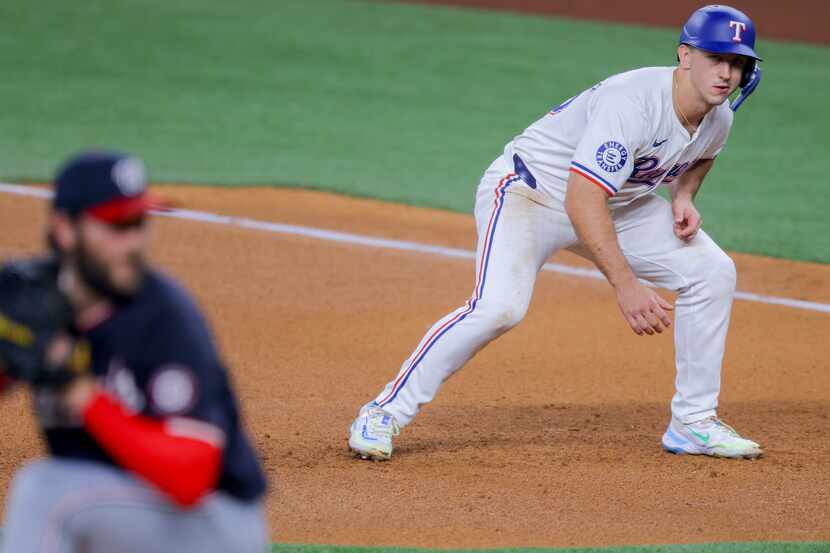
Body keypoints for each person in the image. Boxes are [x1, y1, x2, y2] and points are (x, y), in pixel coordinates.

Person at [348, 5, 764, 461]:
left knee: (713, 272)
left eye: (738, 62)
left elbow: (702, 154)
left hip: (617, 205)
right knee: (499, 309)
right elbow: (581, 199)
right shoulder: (634, 101)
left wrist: (684, 197)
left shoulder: (720, 115)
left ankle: (693, 423)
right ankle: (384, 410)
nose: (727, 72)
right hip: (530, 194)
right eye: (716, 58)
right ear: (685, 56)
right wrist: (626, 287)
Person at [0, 151, 269, 552]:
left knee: (43, 490)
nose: (133, 242)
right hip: (121, 515)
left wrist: (80, 394)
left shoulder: (164, 316)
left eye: (139, 223)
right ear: (65, 230)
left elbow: (190, 478)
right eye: (116, 226)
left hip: (214, 524)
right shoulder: (33, 301)